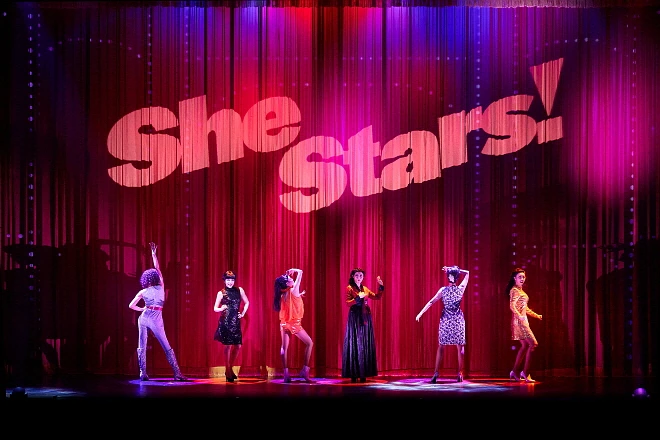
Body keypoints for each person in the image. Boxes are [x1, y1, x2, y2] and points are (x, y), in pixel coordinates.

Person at [128, 242, 189, 381]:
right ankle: (176, 373)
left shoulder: (144, 291)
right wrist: (154, 255)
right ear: (155, 278)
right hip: (154, 317)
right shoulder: (160, 286)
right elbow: (158, 268)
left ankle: (144, 373)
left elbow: (131, 305)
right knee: (163, 345)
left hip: (146, 317)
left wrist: (142, 309)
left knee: (143, 345)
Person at [415, 265, 470, 383]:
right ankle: (459, 373)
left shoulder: (443, 290)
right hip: (457, 319)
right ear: (457, 277)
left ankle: (437, 373)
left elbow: (431, 302)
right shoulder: (460, 288)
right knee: (459, 346)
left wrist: (421, 313)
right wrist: (452, 269)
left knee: (443, 346)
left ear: (448, 277)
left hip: (447, 319)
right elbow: (467, 273)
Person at [341, 267, 384, 383]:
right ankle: (354, 374)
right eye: (357, 275)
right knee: (355, 342)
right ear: (353, 277)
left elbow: (377, 297)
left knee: (364, 342)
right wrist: (357, 298)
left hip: (365, 316)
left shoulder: (365, 289)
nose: (359, 278)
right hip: (355, 317)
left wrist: (381, 286)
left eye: (361, 276)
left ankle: (363, 373)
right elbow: (347, 303)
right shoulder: (350, 288)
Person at [273, 268, 314, 383]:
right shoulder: (293, 289)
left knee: (284, 347)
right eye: (289, 278)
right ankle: (305, 370)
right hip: (294, 323)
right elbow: (301, 272)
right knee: (310, 343)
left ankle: (286, 374)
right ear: (287, 283)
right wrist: (294, 270)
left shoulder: (283, 293)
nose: (291, 277)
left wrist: (299, 295)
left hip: (284, 323)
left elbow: (291, 302)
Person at [506, 267, 543, 383]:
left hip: (522, 320)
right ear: (515, 278)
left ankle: (514, 371)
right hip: (520, 322)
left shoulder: (521, 291)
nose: (522, 279)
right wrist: (519, 316)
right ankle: (525, 373)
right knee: (533, 344)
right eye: (519, 277)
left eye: (523, 277)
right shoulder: (514, 290)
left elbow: (525, 309)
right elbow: (512, 306)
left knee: (525, 346)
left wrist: (537, 315)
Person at [213, 270, 249, 383]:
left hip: (236, 322)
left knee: (238, 346)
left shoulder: (239, 290)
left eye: (232, 280)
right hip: (226, 322)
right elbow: (215, 308)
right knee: (228, 346)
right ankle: (227, 370)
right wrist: (221, 308)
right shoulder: (221, 293)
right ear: (224, 280)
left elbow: (247, 302)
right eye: (228, 280)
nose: (230, 282)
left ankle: (230, 368)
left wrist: (242, 313)